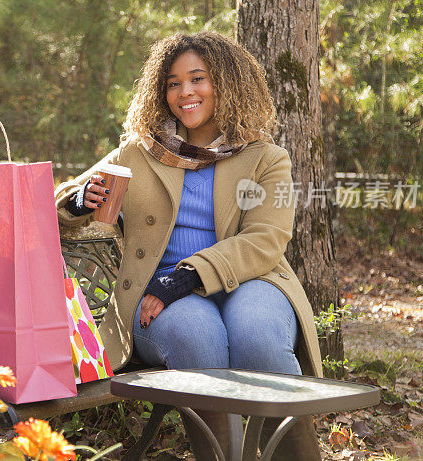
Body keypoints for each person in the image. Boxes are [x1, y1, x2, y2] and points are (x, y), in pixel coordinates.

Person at [55, 32, 322, 460]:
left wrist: (187, 276)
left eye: (198, 79)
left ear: (225, 82)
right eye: (174, 83)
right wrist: (77, 199)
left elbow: (266, 238)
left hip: (249, 280)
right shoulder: (140, 152)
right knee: (199, 339)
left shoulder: (265, 156)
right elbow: (64, 203)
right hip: (159, 291)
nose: (185, 93)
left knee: (258, 338)